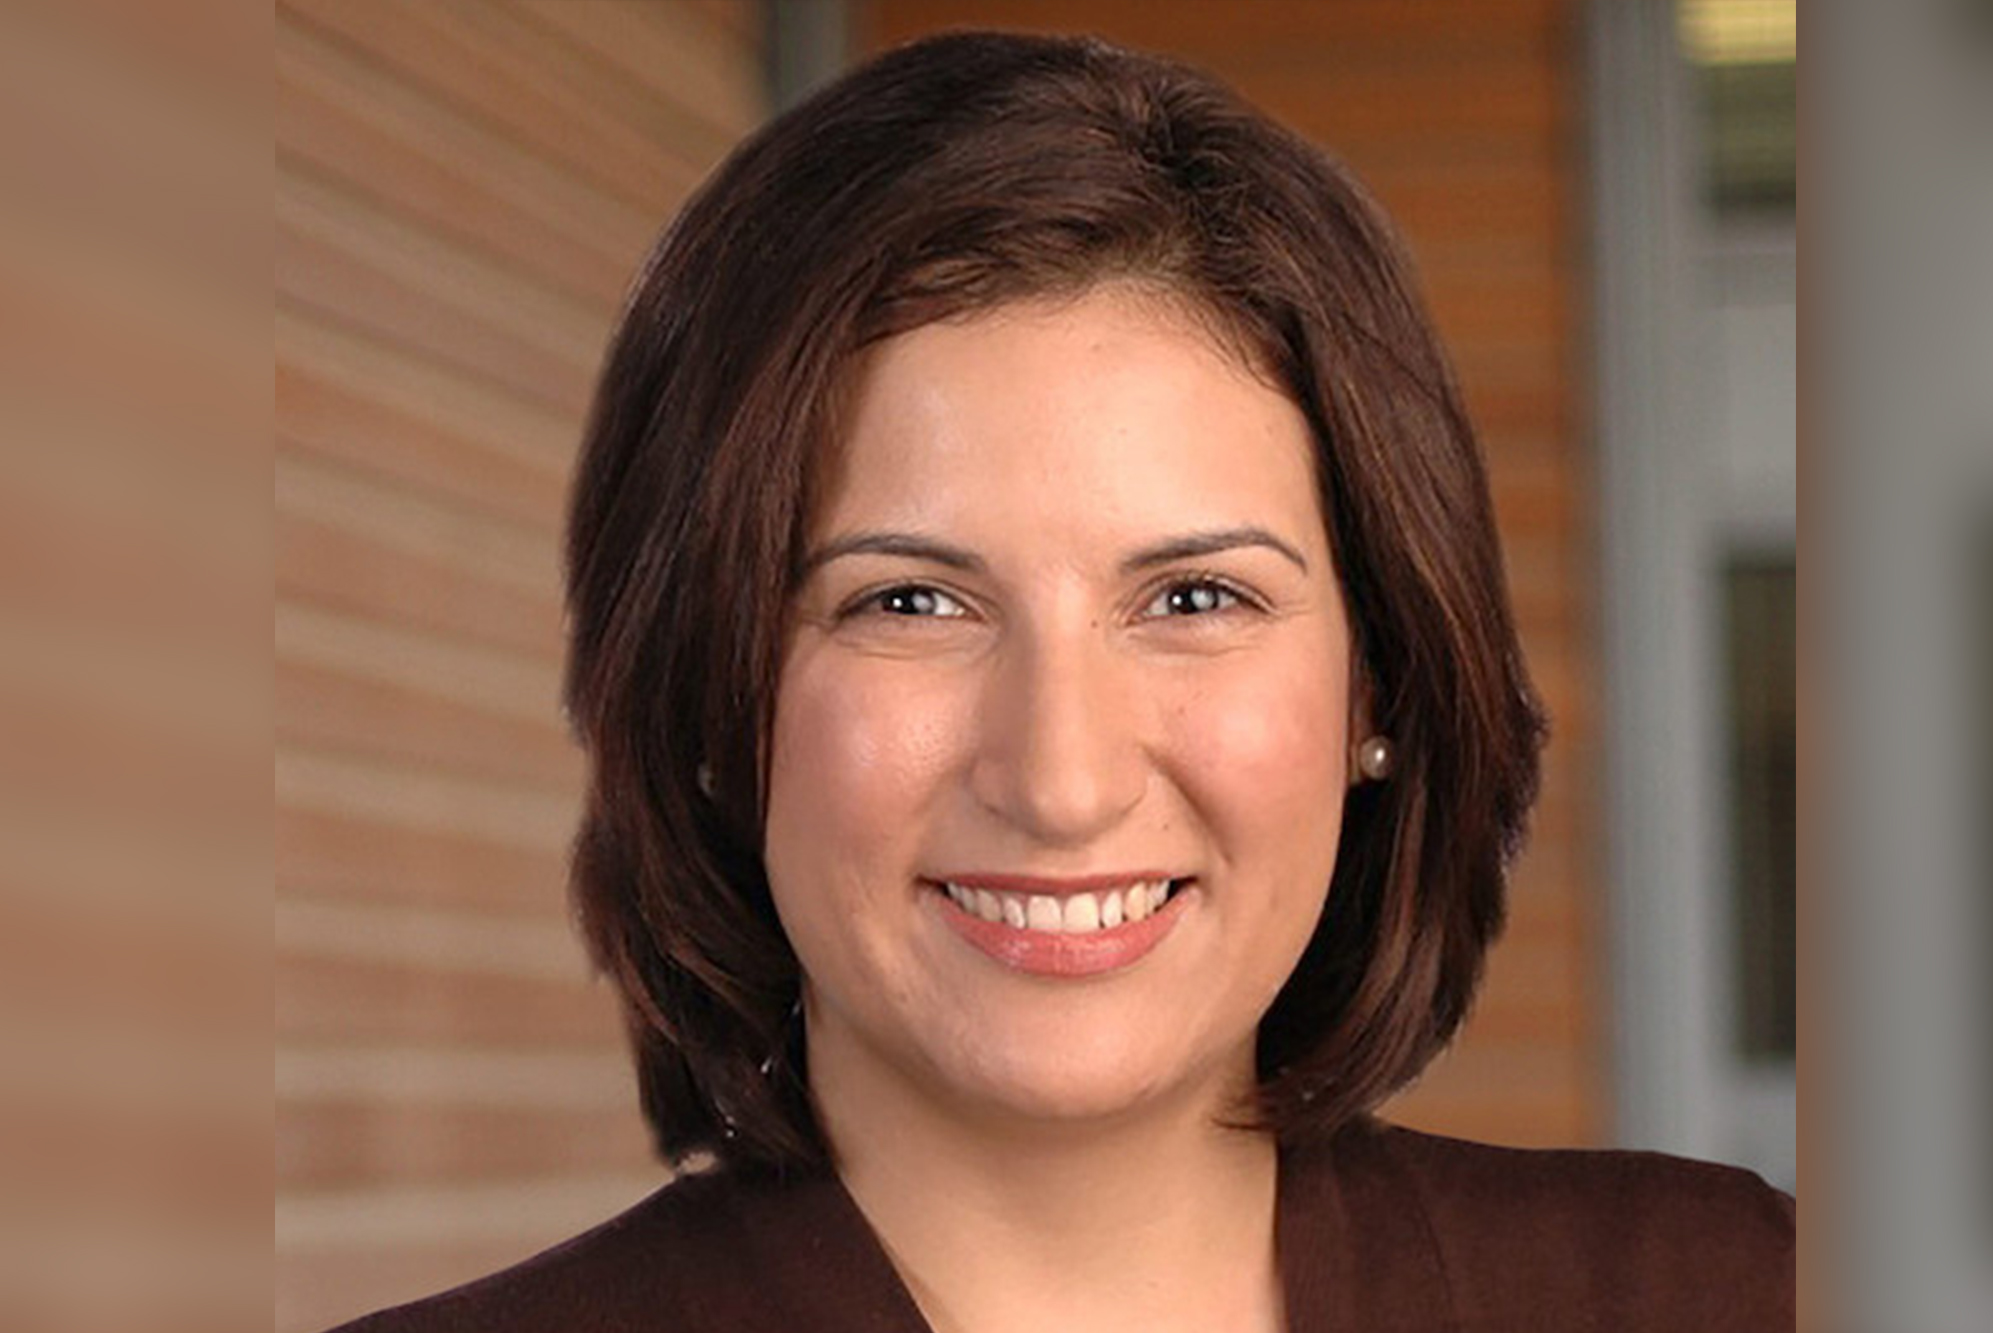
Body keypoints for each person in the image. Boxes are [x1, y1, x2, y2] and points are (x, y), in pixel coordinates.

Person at [333, 30, 1792, 1333]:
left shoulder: (1725, 1294)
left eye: (1193, 597)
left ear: (1378, 689)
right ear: (716, 698)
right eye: (909, 600)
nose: (1061, 777)